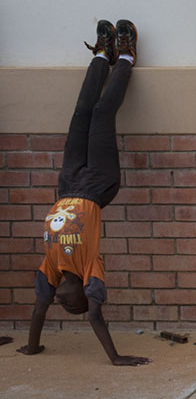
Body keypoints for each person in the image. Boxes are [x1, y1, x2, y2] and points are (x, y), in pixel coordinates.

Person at [18, 20, 150, 366]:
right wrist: (116, 358)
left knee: (80, 113)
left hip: (66, 183)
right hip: (97, 186)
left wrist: (32, 347)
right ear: (86, 296)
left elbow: (38, 310)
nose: (62, 302)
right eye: (72, 304)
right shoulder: (90, 268)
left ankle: (103, 54)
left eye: (61, 304)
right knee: (102, 114)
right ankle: (125, 58)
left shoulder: (52, 268)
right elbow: (95, 318)